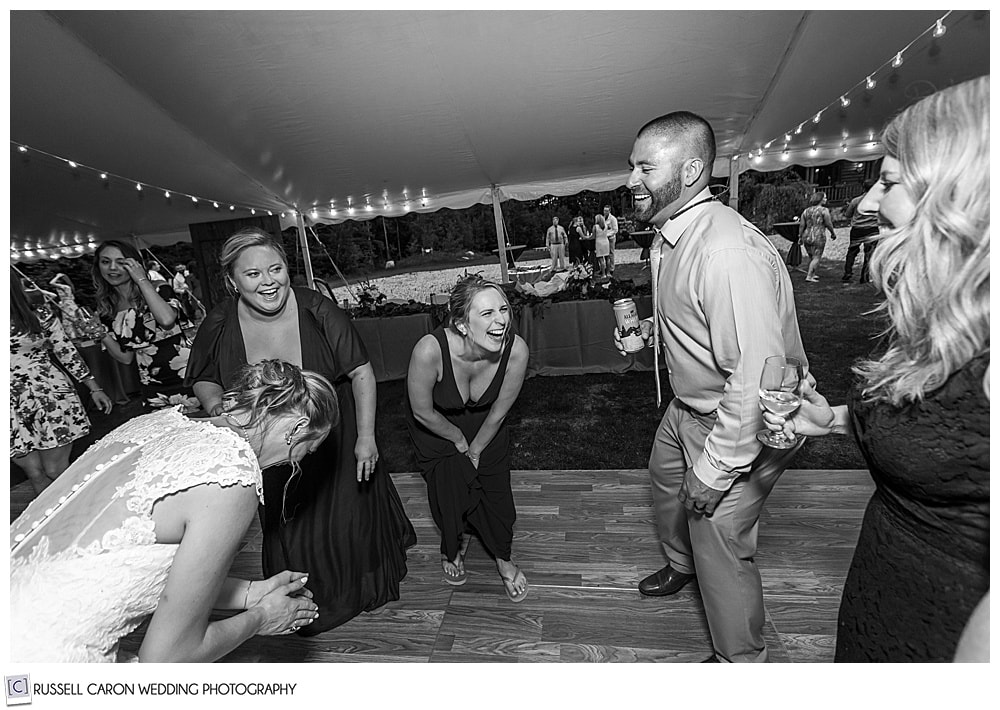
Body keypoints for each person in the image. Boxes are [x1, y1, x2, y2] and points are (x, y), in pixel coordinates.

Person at [761, 76, 989, 662]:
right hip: (883, 592)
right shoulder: (947, 325)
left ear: (960, 196)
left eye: (887, 183)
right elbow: (948, 440)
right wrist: (836, 420)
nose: (865, 204)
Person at [616, 111, 807, 663]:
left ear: (693, 169)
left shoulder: (725, 251)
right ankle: (680, 568)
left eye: (645, 168)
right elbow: (694, 318)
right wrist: (651, 333)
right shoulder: (671, 235)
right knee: (664, 485)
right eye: (633, 166)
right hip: (687, 408)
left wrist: (718, 465)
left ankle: (739, 662)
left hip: (738, 420)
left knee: (719, 538)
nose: (631, 181)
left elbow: (756, 375)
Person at [10, 359, 334, 662]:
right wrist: (262, 617)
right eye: (308, 449)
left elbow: (125, 559)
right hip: (42, 655)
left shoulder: (156, 423)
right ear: (297, 428)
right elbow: (168, 657)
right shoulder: (231, 477)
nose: (292, 463)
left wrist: (250, 593)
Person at [186, 228, 416, 634]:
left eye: (276, 269)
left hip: (332, 440)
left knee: (346, 520)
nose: (268, 281)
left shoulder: (317, 310)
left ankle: (353, 587)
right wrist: (214, 403)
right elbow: (203, 378)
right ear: (232, 280)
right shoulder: (219, 322)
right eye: (253, 274)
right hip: (270, 454)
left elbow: (361, 371)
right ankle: (295, 600)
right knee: (289, 529)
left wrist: (366, 438)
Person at [406, 275, 530, 601]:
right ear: (462, 323)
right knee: (449, 497)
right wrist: (459, 441)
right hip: (437, 426)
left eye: (503, 309)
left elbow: (499, 412)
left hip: (486, 426)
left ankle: (503, 559)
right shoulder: (429, 350)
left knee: (497, 497)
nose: (501, 319)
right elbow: (421, 412)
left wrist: (476, 448)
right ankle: (452, 549)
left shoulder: (515, 350)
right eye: (487, 313)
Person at [10, 274, 114, 495]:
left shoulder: (38, 314)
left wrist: (93, 387)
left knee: (55, 470)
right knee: (35, 473)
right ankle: (55, 525)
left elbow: (65, 350)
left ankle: (90, 509)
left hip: (45, 394)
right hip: (10, 405)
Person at [92, 240, 192, 404]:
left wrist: (141, 279)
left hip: (189, 377)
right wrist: (101, 334)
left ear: (134, 264)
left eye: (121, 262)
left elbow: (166, 319)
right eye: (105, 262)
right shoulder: (107, 308)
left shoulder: (159, 288)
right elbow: (126, 358)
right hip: (152, 388)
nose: (112, 268)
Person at [841, 179, 879, 284]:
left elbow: (848, 214)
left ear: (863, 187)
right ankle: (865, 277)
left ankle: (847, 272)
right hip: (872, 229)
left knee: (852, 251)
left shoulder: (856, 200)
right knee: (869, 253)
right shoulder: (879, 202)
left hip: (857, 229)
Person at [798, 191, 837, 282]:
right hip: (818, 235)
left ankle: (813, 273)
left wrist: (800, 236)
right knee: (817, 257)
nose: (826, 199)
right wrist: (832, 233)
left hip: (807, 235)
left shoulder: (806, 211)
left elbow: (802, 225)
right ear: (820, 199)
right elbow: (828, 223)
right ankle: (809, 276)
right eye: (825, 197)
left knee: (812, 256)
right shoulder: (824, 210)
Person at [603, 204, 619, 274]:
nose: (605, 212)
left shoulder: (613, 219)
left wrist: (608, 235)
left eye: (606, 211)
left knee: (611, 253)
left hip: (611, 238)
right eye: (604, 210)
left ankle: (612, 267)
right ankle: (607, 267)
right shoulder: (603, 218)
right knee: (605, 253)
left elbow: (615, 230)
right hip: (604, 238)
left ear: (609, 211)